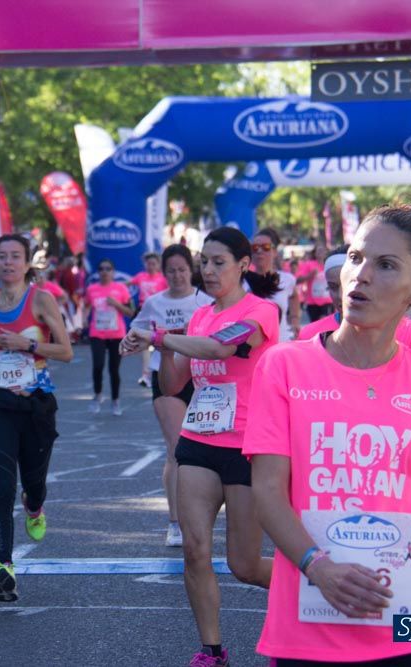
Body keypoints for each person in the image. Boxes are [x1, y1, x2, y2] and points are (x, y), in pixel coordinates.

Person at [244, 203, 411, 667]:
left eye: (386, 266)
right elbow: (267, 492)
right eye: (357, 258)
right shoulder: (283, 365)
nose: (360, 275)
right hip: (307, 630)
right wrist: (317, 567)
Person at [121, 227, 279, 667]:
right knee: (195, 549)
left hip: (248, 447)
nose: (207, 271)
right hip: (198, 440)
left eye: (218, 262)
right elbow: (174, 385)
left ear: (244, 265)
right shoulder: (198, 316)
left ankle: (317, 587)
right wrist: (159, 350)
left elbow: (221, 348)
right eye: (203, 262)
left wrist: (160, 338)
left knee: (245, 565)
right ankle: (212, 650)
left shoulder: (262, 312)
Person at [0, 233, 73, 602]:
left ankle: (35, 506)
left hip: (36, 405)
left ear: (27, 263)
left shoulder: (41, 300)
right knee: (3, 487)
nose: (7, 263)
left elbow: (67, 351)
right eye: (1, 257)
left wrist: (29, 345)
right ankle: (3, 568)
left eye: (14, 257)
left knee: (33, 484)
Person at [124, 245, 212, 548]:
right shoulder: (153, 303)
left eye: (182, 269)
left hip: (203, 380)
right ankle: (176, 522)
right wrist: (129, 343)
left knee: (206, 452)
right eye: (171, 270)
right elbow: (135, 334)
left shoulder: (206, 300)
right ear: (164, 273)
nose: (177, 275)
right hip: (166, 378)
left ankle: (202, 515)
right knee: (177, 448)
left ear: (191, 270)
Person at [298, 247, 411, 361]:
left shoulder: (408, 330)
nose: (340, 295)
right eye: (332, 287)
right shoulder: (309, 334)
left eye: (348, 284)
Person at [86, 259, 134, 415]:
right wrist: (80, 322)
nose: (104, 271)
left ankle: (115, 400)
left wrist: (117, 304)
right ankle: (98, 395)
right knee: (98, 365)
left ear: (113, 272)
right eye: (101, 268)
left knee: (114, 369)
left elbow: (130, 312)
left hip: (116, 334)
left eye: (108, 269)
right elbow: (86, 308)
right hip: (97, 333)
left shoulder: (120, 288)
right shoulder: (92, 289)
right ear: (98, 272)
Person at [250, 228, 300, 342]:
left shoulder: (287, 279)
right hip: (253, 348)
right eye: (255, 248)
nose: (259, 251)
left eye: (266, 247)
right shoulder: (242, 282)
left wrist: (295, 319)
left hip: (281, 342)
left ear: (275, 252)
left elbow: (294, 296)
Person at [129, 252, 169, 387]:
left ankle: (158, 372)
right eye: (148, 264)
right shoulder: (141, 277)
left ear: (158, 265)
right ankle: (146, 374)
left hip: (158, 313)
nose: (150, 266)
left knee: (157, 344)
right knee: (144, 344)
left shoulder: (163, 279)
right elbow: (127, 284)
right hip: (143, 313)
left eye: (153, 264)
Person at [298, 243, 333, 322]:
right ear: (315, 253)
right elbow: (299, 280)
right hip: (312, 301)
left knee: (324, 322)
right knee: (315, 324)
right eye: (318, 251)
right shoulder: (309, 264)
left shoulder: (329, 264)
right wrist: (310, 276)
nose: (320, 252)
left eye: (322, 250)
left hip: (327, 300)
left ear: (326, 252)